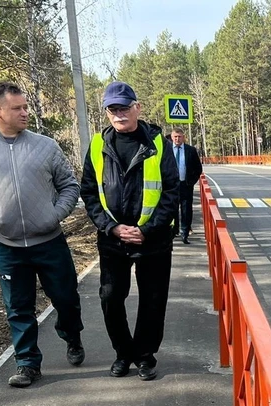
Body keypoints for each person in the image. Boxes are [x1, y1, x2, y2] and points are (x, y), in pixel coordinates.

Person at [0, 81, 84, 388]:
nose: (25, 112)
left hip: (50, 241)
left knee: (66, 299)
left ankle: (71, 335)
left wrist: (55, 214)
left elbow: (69, 186)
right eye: (18, 108)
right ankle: (27, 363)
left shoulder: (45, 146)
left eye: (26, 107)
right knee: (18, 307)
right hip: (7, 245)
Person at [80, 81, 180, 381]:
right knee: (111, 297)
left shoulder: (158, 143)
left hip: (154, 240)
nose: (119, 113)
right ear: (107, 112)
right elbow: (89, 192)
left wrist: (145, 230)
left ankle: (145, 354)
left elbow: (172, 192)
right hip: (113, 240)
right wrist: (112, 228)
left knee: (152, 299)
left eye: (124, 107)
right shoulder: (98, 145)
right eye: (113, 108)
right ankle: (123, 353)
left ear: (137, 108)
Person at [170, 128, 202, 244]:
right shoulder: (166, 150)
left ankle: (185, 232)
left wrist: (191, 182)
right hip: (171, 186)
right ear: (172, 137)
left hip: (186, 185)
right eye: (175, 137)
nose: (177, 139)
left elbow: (198, 168)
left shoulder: (190, 150)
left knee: (186, 210)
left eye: (179, 137)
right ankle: (174, 231)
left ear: (183, 137)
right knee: (172, 209)